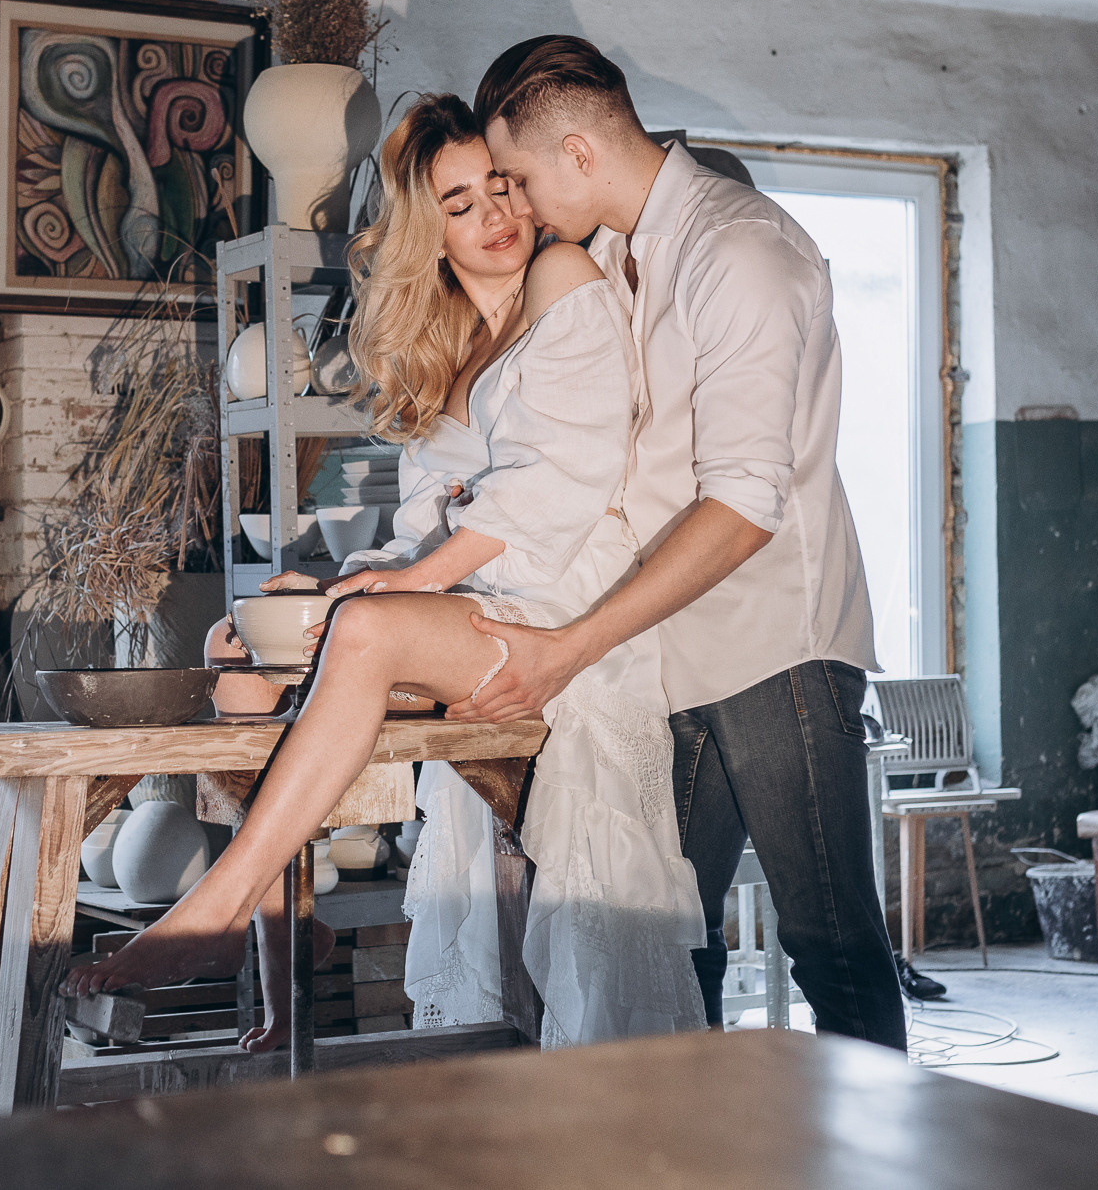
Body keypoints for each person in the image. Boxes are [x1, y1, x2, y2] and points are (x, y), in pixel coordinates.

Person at [65, 94, 706, 1049]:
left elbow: (561, 482)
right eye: (458, 203)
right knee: (239, 663)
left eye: (501, 187)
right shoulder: (451, 350)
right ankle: (288, 977)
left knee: (362, 630)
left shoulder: (566, 276)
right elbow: (417, 529)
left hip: (561, 601)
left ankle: (215, 909)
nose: (495, 216)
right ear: (428, 232)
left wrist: (396, 590)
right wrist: (327, 590)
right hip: (470, 598)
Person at [464, 35, 905, 1049]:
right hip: (664, 651)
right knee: (669, 942)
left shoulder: (737, 248)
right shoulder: (619, 252)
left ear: (577, 151)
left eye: (522, 178)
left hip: (772, 647)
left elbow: (744, 504)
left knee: (829, 946)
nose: (519, 206)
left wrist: (567, 645)